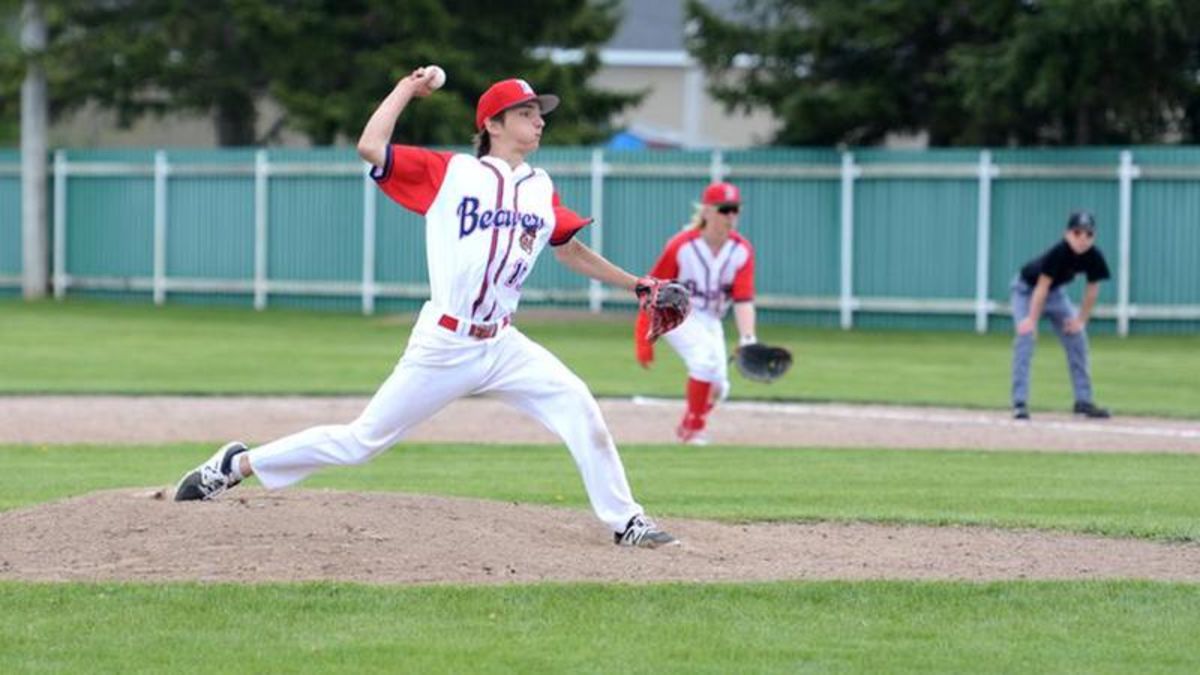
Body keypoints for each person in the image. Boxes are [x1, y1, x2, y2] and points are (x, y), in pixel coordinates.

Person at [173, 68, 679, 549]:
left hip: (503, 343)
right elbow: (370, 147)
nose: (539, 120)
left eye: (539, 112)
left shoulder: (539, 188)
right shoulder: (450, 173)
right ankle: (236, 465)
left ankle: (625, 520)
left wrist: (637, 285)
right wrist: (405, 90)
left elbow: (568, 248)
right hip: (446, 342)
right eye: (526, 112)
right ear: (493, 124)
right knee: (361, 442)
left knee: (578, 403)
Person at [635, 182, 757, 445]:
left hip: (711, 320)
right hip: (677, 315)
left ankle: (688, 424)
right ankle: (693, 429)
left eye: (735, 209)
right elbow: (650, 289)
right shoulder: (681, 246)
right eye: (725, 209)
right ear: (707, 212)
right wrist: (642, 335)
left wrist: (748, 338)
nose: (731, 216)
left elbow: (744, 298)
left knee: (719, 387)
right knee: (703, 361)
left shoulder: (741, 250)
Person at [1010, 210, 1112, 421]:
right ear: (1067, 234)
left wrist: (1080, 321)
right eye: (1077, 232)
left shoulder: (1094, 256)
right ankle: (1019, 403)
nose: (1083, 238)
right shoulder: (1059, 252)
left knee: (1077, 339)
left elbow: (1092, 290)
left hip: (1056, 294)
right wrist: (1031, 319)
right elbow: (1041, 287)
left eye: (1088, 234)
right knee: (1026, 337)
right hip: (1027, 290)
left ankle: (1083, 402)